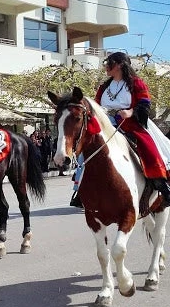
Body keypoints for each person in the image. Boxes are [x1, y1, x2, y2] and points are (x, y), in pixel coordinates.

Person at [72, 51, 170, 207]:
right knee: (87, 147)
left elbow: (144, 105)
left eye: (108, 63)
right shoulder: (104, 87)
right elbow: (96, 107)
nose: (106, 67)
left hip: (128, 122)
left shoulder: (136, 83)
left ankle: (160, 184)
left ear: (118, 65)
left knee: (147, 147)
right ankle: (80, 189)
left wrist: (130, 112)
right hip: (104, 123)